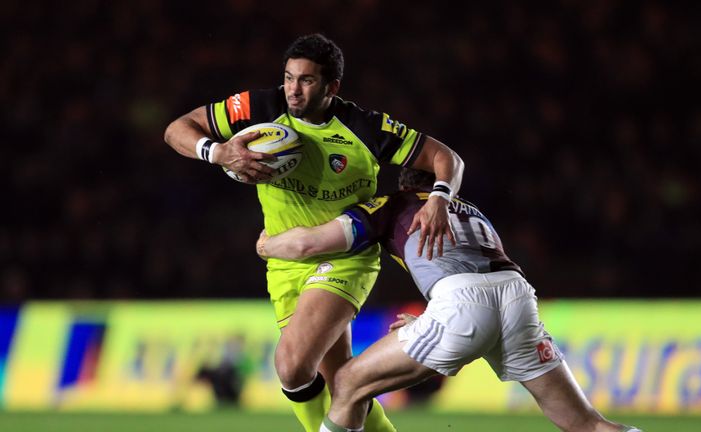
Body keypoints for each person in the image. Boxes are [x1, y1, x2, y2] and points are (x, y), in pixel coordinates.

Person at [164, 34, 463, 432]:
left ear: (331, 87)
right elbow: (177, 129)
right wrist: (216, 152)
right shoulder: (260, 108)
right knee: (341, 383)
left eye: (306, 80)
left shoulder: (365, 127)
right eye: (288, 78)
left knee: (291, 366)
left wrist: (439, 198)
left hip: (345, 256)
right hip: (284, 260)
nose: (293, 89)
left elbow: (446, 157)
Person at [257, 168, 643, 432]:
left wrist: (268, 244)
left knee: (346, 383)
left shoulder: (395, 204)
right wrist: (430, 324)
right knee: (586, 423)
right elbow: (470, 275)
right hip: (518, 298)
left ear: (406, 184)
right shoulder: (472, 211)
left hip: (461, 305)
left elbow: (309, 243)